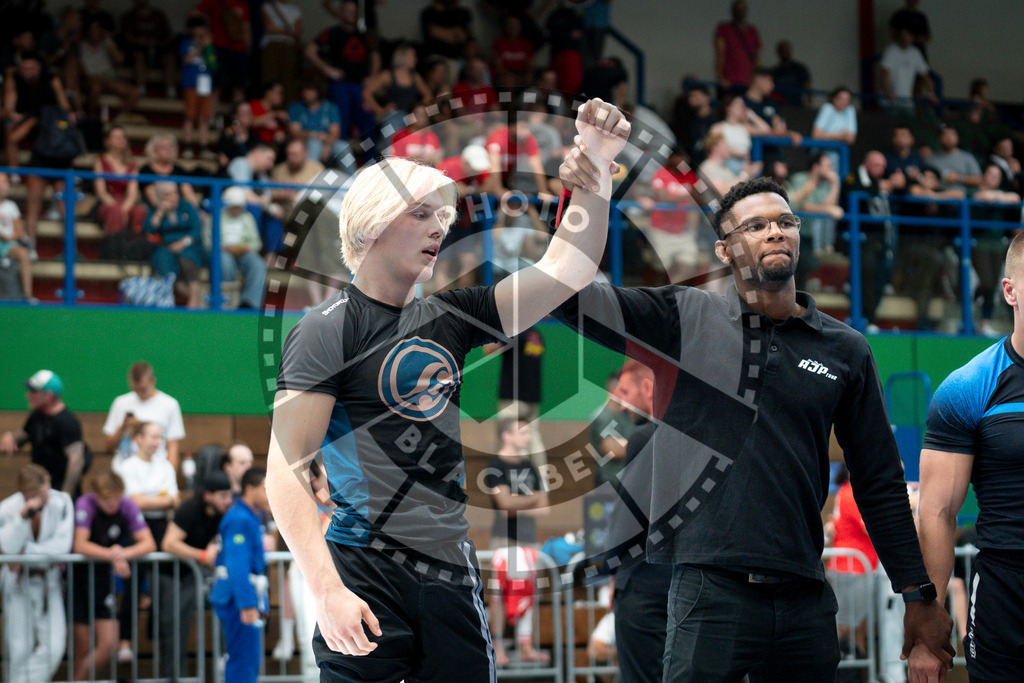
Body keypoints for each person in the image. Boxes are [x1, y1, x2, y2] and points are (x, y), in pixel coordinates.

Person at [266, 99, 630, 682]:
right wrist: (326, 590)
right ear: (372, 222)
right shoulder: (326, 329)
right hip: (363, 569)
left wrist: (597, 168)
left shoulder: (453, 317)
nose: (442, 226)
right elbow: (284, 470)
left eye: (444, 216)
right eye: (422, 214)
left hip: (449, 570)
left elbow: (569, 269)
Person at [554, 165, 956, 679]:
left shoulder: (846, 349)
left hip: (806, 597)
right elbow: (569, 300)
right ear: (724, 250)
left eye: (784, 221)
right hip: (709, 592)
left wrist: (919, 598)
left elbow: (879, 482)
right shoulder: (684, 318)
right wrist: (585, 189)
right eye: (754, 226)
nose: (773, 231)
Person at [916, 232, 1024, 683]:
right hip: (1008, 597)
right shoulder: (969, 387)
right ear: (1010, 290)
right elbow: (937, 511)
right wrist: (928, 628)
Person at [605, 359, 673, 683]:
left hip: (645, 587)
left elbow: (630, 519)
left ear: (648, 388)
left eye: (626, 392)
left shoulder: (645, 438)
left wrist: (615, 576)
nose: (621, 403)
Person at [71, 469, 156, 681]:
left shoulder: (126, 505)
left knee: (109, 643)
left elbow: (149, 543)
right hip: (79, 578)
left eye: (116, 498)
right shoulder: (85, 504)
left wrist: (124, 553)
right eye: (107, 500)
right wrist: (113, 556)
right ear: (96, 496)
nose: (112, 504)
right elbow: (79, 544)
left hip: (102, 579)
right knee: (82, 649)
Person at [483, 416, 548, 667]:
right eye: (522, 432)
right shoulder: (495, 465)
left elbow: (544, 508)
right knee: (498, 594)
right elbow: (504, 504)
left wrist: (517, 504)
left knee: (528, 591)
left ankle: (526, 645)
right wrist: (530, 500)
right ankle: (497, 645)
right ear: (506, 436)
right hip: (505, 539)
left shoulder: (531, 466)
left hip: (529, 539)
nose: (527, 437)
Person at [0, 464, 74, 683]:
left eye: (46, 491)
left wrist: (25, 554)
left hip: (47, 581)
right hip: (16, 584)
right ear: (25, 494)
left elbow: (61, 547)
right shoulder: (8, 508)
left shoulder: (62, 502)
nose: (45, 498)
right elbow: (7, 548)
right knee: (19, 650)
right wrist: (23, 518)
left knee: (55, 647)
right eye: (37, 495)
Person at [159, 470, 234, 681]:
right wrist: (202, 555)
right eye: (223, 496)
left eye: (230, 495)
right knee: (174, 631)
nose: (228, 501)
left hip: (195, 575)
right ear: (207, 495)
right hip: (172, 576)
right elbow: (169, 543)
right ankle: (175, 678)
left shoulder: (223, 513)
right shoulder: (189, 509)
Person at [210, 467, 271, 683]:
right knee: (243, 659)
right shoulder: (239, 519)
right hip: (236, 598)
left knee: (248, 659)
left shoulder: (250, 517)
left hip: (243, 595)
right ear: (249, 488)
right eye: (265, 488)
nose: (270, 493)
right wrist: (246, 604)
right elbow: (237, 565)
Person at [1, 370, 90, 496]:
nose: (28, 395)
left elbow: (76, 461)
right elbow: (21, 436)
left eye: (34, 392)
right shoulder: (37, 416)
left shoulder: (67, 422)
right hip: (39, 490)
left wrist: (64, 496)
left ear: (48, 396)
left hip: (57, 492)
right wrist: (9, 436)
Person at [305, 0, 380, 149]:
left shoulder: (364, 35)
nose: (351, 14)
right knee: (341, 125)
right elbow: (309, 51)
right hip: (340, 85)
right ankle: (343, 164)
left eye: (354, 12)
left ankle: (370, 165)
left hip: (360, 87)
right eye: (348, 11)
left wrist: (372, 76)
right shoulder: (331, 33)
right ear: (340, 13)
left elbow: (375, 56)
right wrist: (327, 69)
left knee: (368, 125)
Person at [826, 463, 878, 662]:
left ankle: (852, 673)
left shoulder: (849, 491)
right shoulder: (852, 493)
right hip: (850, 569)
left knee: (857, 628)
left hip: (858, 567)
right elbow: (869, 527)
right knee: (844, 626)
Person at [102, 360, 186, 471]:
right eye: (135, 390)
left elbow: (172, 446)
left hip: (156, 470)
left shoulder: (169, 405)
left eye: (143, 389)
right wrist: (124, 426)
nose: (139, 394)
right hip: (123, 469)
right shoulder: (120, 403)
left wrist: (170, 477)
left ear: (153, 381)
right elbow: (108, 447)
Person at [971, 163, 1020, 336]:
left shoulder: (1001, 195)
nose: (995, 178)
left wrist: (995, 196)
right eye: (991, 174)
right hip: (979, 244)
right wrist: (994, 197)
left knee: (993, 283)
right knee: (987, 281)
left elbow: (1015, 197)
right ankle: (973, 305)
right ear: (983, 175)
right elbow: (978, 196)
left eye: (998, 176)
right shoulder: (973, 192)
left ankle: (985, 322)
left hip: (998, 245)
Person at [144, 182, 206, 308]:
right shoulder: (156, 210)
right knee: (164, 262)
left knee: (187, 258)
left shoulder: (187, 207)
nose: (173, 197)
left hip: (189, 244)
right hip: (166, 246)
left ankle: (194, 300)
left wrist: (184, 242)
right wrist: (160, 211)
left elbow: (197, 229)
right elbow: (149, 230)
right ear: (161, 197)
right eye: (168, 194)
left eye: (175, 193)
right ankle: (184, 298)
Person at [93, 125, 148, 242]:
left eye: (123, 137)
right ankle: (114, 250)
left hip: (126, 201)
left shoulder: (132, 163)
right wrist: (118, 209)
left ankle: (134, 250)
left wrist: (124, 209)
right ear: (107, 141)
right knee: (115, 212)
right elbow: (101, 191)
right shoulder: (100, 160)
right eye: (116, 137)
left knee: (139, 212)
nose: (121, 140)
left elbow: (132, 193)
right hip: (107, 201)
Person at [216, 186, 267, 309]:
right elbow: (209, 241)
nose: (235, 210)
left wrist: (246, 247)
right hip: (223, 251)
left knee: (258, 264)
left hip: (244, 252)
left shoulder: (247, 217)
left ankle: (250, 303)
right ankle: (228, 300)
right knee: (225, 262)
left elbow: (256, 242)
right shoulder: (217, 217)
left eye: (238, 207)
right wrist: (223, 247)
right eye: (233, 207)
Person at [179, 16, 218, 159]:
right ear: (192, 29)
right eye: (199, 27)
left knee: (204, 118)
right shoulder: (186, 43)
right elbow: (186, 59)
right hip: (191, 83)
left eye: (204, 28)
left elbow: (214, 66)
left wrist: (207, 47)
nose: (202, 31)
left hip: (206, 84)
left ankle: (204, 147)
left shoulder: (210, 46)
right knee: (189, 116)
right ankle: (187, 146)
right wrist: (200, 46)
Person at [119, 0, 175, 99]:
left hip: (158, 51)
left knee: (170, 58)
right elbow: (126, 38)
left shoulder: (159, 15)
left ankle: (171, 91)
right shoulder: (129, 16)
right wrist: (143, 41)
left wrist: (157, 42)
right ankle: (141, 89)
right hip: (137, 51)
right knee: (138, 55)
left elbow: (168, 38)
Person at [288, 81, 348, 167]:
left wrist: (327, 145)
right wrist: (314, 135)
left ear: (318, 91)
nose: (306, 93)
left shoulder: (330, 107)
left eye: (310, 89)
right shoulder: (296, 107)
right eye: (304, 90)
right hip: (304, 143)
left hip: (328, 143)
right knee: (314, 143)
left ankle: (353, 178)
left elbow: (335, 133)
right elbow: (295, 132)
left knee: (343, 146)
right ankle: (310, 177)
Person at [714, 0, 762, 95]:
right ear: (732, 11)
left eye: (742, 9)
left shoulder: (752, 31)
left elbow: (756, 58)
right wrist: (720, 77)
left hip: (747, 82)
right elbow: (720, 54)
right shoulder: (724, 28)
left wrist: (754, 79)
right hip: (728, 82)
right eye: (738, 9)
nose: (740, 12)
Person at [0, 172, 35, 300]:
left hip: (7, 244)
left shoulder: (11, 206)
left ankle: (27, 295)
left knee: (24, 254)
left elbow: (19, 232)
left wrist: (7, 238)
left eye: (7, 182)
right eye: (3, 182)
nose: (6, 185)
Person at [260, 0, 302, 101]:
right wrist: (288, 31)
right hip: (271, 44)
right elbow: (269, 27)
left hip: (288, 45)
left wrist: (280, 30)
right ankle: (267, 104)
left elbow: (297, 31)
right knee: (269, 76)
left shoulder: (295, 10)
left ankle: (286, 106)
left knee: (288, 78)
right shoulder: (268, 6)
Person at [772, 40, 811, 107]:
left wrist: (809, 101)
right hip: (780, 105)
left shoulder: (799, 69)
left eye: (786, 49)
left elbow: (807, 86)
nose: (785, 52)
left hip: (797, 105)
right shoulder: (775, 71)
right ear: (778, 52)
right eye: (782, 50)